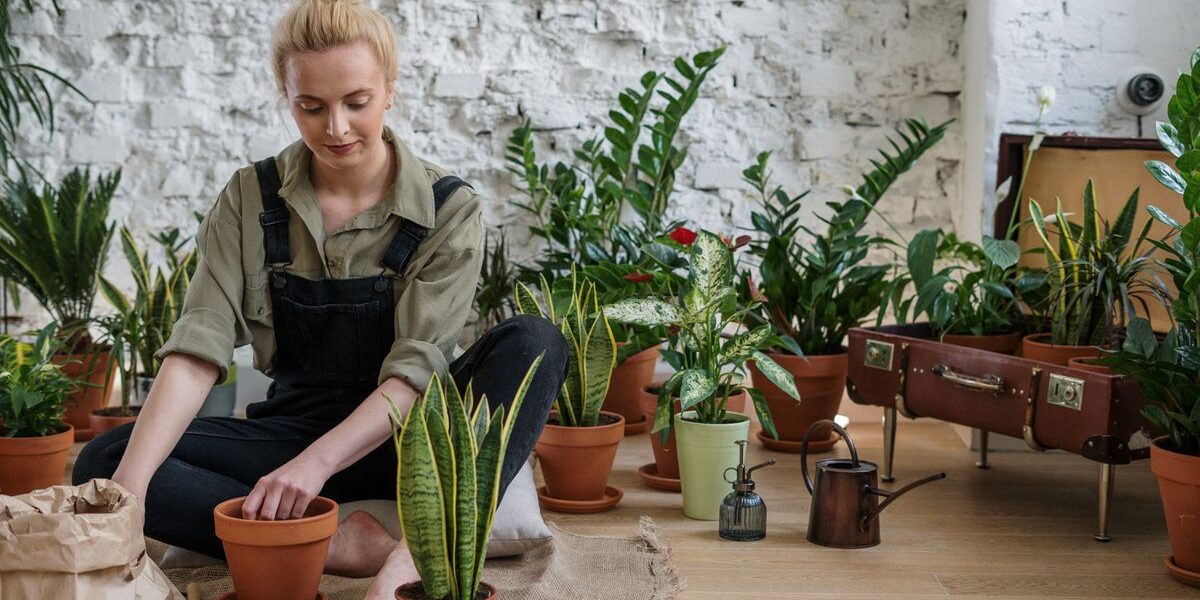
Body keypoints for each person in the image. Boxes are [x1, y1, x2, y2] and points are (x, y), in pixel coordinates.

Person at [71, 1, 567, 598]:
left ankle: (416, 554)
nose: (336, 128)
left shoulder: (448, 209)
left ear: (390, 92)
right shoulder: (249, 198)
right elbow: (197, 351)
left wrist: (316, 468)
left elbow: (413, 376)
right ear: (286, 95)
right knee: (106, 462)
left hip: (416, 442)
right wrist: (128, 496)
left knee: (538, 341)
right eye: (311, 106)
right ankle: (340, 544)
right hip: (291, 431)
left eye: (356, 102)